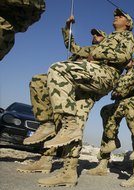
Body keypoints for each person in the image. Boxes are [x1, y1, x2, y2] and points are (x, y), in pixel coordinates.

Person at [23, 8, 134, 188]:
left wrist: (96, 55)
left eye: (121, 16)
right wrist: (68, 29)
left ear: (128, 23)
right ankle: (67, 169)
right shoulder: (99, 45)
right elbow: (74, 48)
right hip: (86, 81)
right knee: (41, 83)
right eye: (115, 14)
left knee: (58, 68)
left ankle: (57, 128)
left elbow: (123, 56)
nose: (116, 16)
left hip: (104, 76)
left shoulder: (127, 37)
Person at [16, 15, 107, 174]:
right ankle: (45, 160)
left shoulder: (107, 52)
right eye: (94, 34)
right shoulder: (86, 49)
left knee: (75, 127)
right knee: (56, 120)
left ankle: (69, 169)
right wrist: (67, 27)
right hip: (68, 89)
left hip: (85, 93)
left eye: (98, 34)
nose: (95, 36)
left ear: (105, 39)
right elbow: (71, 46)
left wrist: (89, 64)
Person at [85, 57, 134, 177]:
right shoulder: (120, 76)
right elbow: (114, 92)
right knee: (106, 114)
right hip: (118, 104)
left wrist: (128, 91)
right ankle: (103, 163)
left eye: (129, 61)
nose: (126, 63)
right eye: (125, 61)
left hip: (131, 105)